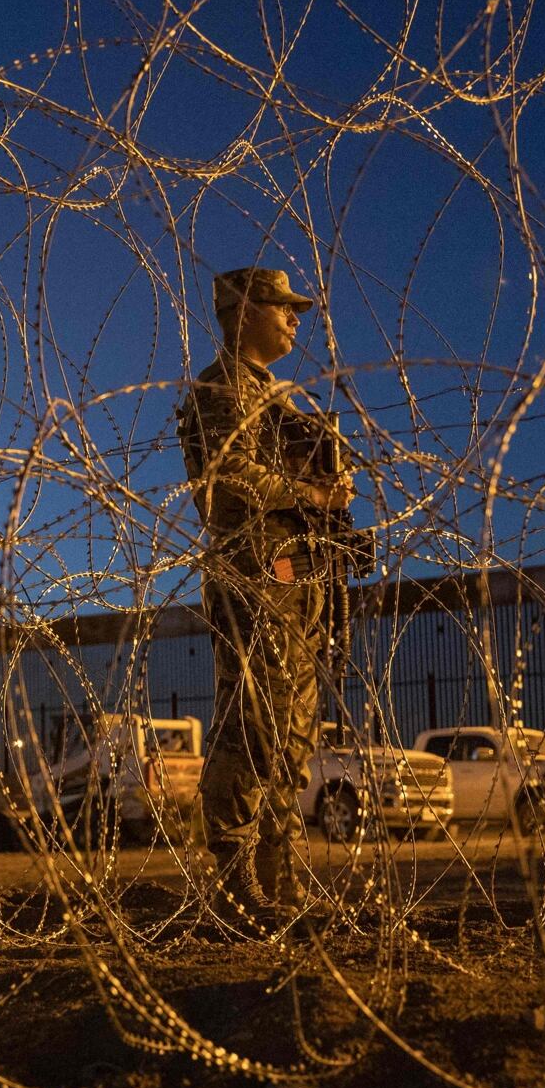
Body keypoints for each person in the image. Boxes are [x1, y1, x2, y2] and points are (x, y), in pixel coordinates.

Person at [177, 267, 355, 933]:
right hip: (253, 575)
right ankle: (234, 880)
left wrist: (330, 489)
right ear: (244, 308)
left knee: (292, 734)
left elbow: (285, 476)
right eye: (283, 306)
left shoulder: (278, 400)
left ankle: (280, 878)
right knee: (250, 727)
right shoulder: (220, 390)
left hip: (296, 576)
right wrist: (310, 493)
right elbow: (227, 486)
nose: (295, 318)